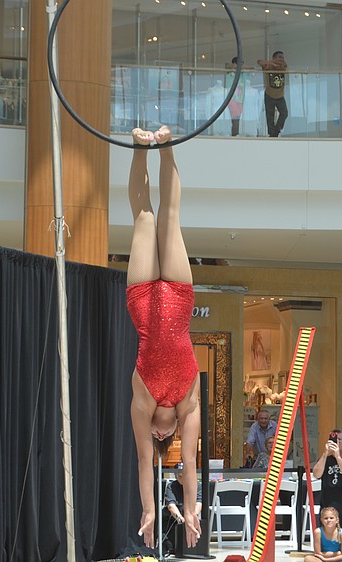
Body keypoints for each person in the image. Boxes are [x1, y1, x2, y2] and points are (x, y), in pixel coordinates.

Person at [127, 126, 202, 549]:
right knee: (170, 217)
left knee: (144, 216)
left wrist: (150, 508)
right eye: (161, 437)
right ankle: (168, 147)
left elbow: (143, 460)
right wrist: (190, 508)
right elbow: (188, 462)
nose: (156, 436)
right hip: (177, 296)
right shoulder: (188, 404)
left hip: (141, 300)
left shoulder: (144, 402)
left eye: (156, 436)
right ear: (169, 430)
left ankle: (141, 149)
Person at [312, 429, 342, 556]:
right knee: (325, 550)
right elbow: (316, 474)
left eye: (340, 440)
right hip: (328, 510)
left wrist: (338, 457)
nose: (337, 443)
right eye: (334, 440)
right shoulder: (326, 460)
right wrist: (325, 454)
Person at [162, 479, 203, 555]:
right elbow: (171, 506)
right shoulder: (171, 486)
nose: (182, 478)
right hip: (172, 519)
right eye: (179, 476)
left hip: (190, 516)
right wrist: (180, 519)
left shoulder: (197, 485)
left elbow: (198, 504)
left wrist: (193, 516)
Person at [256, 51, 288, 137]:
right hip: (269, 94)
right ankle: (272, 134)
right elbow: (259, 62)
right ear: (274, 58)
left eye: (283, 57)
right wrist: (271, 64)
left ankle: (277, 130)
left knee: (284, 113)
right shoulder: (268, 66)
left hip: (280, 95)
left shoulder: (282, 66)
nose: (282, 59)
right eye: (280, 57)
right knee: (270, 116)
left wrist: (276, 63)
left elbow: (283, 64)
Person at [224, 57, 246, 136]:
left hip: (240, 99)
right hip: (232, 99)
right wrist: (235, 67)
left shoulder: (243, 73)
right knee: (235, 117)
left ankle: (235, 133)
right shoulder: (230, 72)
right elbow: (226, 66)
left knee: (237, 117)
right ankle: (235, 134)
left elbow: (253, 68)